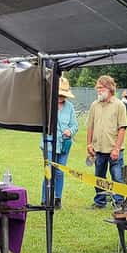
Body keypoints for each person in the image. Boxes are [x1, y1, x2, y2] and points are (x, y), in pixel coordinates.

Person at [87, 75, 127, 208]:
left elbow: (122, 128)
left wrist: (117, 148)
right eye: (97, 88)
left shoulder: (119, 105)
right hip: (98, 149)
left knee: (117, 177)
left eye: (101, 87)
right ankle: (100, 201)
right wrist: (89, 144)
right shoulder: (94, 105)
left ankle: (119, 202)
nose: (98, 90)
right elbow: (90, 126)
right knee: (99, 177)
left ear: (109, 88)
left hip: (114, 149)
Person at [42, 77, 78, 209]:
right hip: (50, 143)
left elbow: (75, 125)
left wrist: (70, 130)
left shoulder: (70, 107)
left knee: (60, 172)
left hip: (64, 145)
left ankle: (57, 198)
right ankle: (45, 198)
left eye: (63, 95)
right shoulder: (47, 106)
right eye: (59, 94)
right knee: (49, 171)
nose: (61, 97)